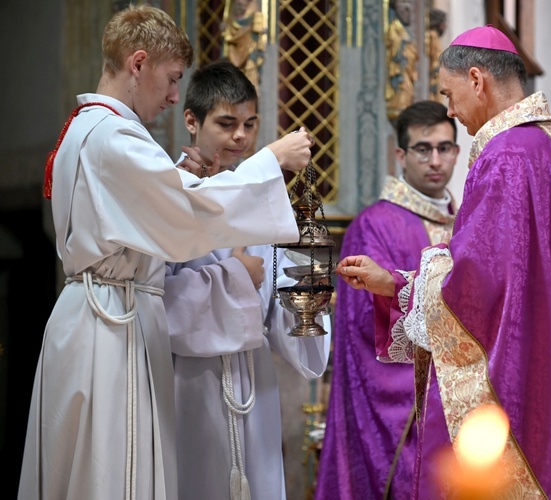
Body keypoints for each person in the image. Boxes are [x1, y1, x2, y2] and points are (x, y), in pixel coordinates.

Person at [18, 5, 313, 500]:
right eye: (172, 78)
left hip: (100, 312)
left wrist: (183, 177)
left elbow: (158, 201)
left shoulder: (87, 129)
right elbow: (182, 216)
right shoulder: (113, 134)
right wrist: (270, 162)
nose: (176, 95)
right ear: (138, 64)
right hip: (112, 321)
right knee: (114, 472)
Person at [337, 25, 551, 499]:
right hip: (547, 365)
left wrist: (401, 286)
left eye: (449, 95)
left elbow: (473, 289)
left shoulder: (506, 155)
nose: (451, 110)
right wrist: (397, 282)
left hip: (520, 384)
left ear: (477, 80)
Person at [164, 60, 331, 500]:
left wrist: (305, 302)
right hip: (191, 383)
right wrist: (237, 279)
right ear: (191, 121)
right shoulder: (169, 193)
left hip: (255, 381)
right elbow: (159, 301)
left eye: (250, 124)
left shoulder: (263, 202)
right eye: (226, 124)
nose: (240, 136)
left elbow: (277, 315)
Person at [315, 101, 459, 500]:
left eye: (445, 148)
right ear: (400, 155)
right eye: (423, 148)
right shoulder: (374, 225)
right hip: (406, 409)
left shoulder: (464, 222)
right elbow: (362, 327)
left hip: (461, 401)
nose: (435, 160)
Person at [385, 0, 418, 123]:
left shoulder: (405, 30)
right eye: (403, 3)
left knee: (407, 90)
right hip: (399, 67)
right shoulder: (394, 26)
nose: (408, 9)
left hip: (407, 69)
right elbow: (393, 43)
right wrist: (403, 44)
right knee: (402, 88)